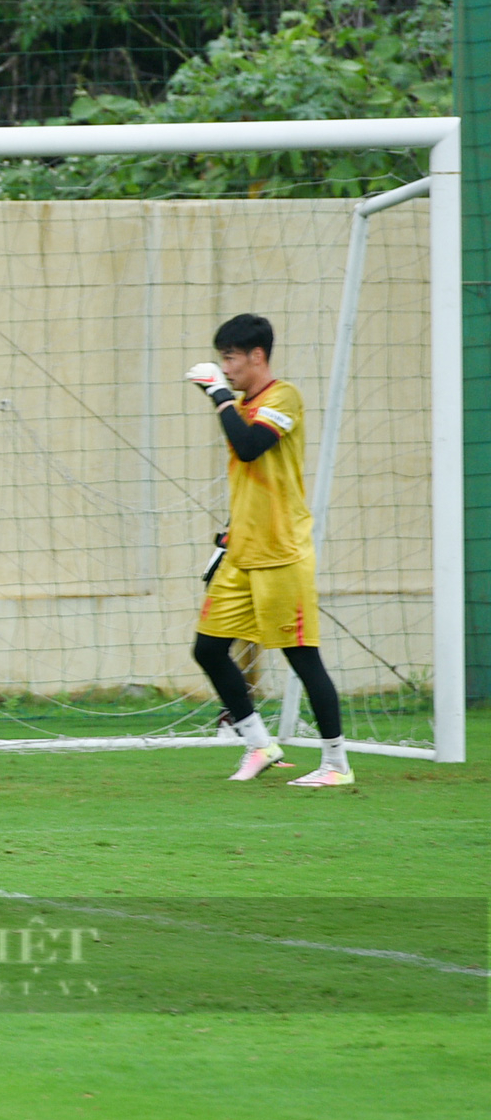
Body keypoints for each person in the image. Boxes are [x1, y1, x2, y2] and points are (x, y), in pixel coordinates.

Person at [185, 314, 352, 786]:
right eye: (221, 360)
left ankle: (336, 764)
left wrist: (217, 396)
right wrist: (233, 528)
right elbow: (250, 477)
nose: (226, 368)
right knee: (209, 649)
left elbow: (252, 446)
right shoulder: (238, 404)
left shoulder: (284, 398)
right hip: (242, 554)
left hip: (281, 554)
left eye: (231, 358)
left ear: (257, 356)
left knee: (301, 658)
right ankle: (259, 744)